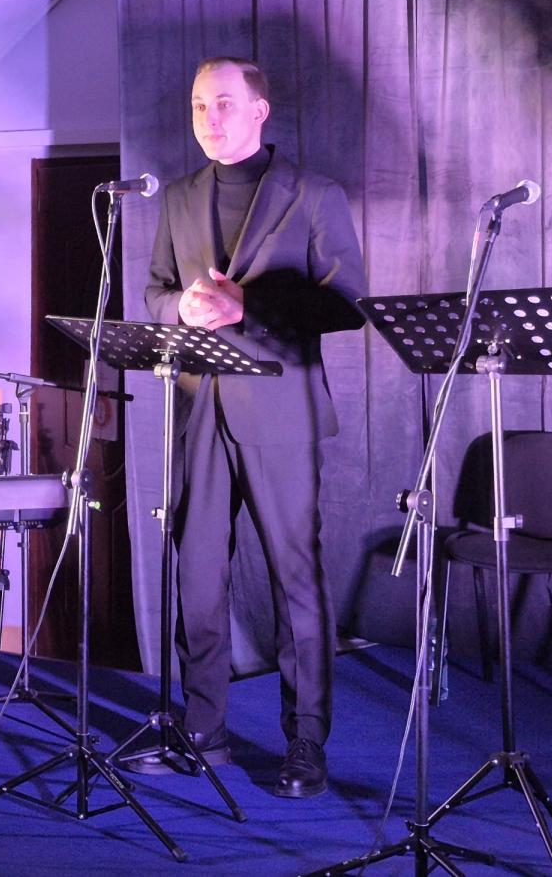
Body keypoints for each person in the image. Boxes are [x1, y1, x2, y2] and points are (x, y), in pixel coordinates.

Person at [138, 57, 366, 797]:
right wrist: (178, 310)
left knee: (295, 580)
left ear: (260, 111)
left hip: (281, 411)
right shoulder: (178, 197)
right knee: (197, 577)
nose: (209, 118)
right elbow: (154, 291)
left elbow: (347, 303)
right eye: (199, 104)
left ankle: (305, 742)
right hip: (199, 407)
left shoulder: (315, 194)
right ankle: (203, 729)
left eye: (224, 104)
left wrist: (250, 308)